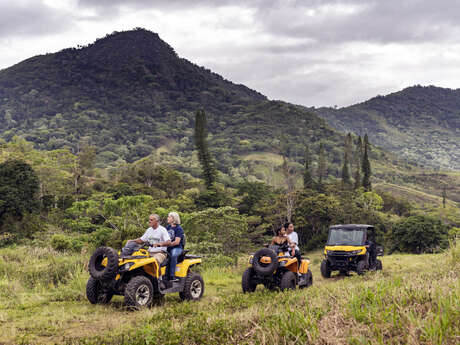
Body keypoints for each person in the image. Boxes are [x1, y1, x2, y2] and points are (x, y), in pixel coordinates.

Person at [166, 211, 185, 283]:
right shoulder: (167, 227)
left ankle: (172, 276)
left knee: (173, 256)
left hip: (177, 248)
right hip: (168, 247)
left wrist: (167, 244)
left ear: (174, 219)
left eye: (169, 217)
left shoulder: (179, 229)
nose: (167, 218)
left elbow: (177, 242)